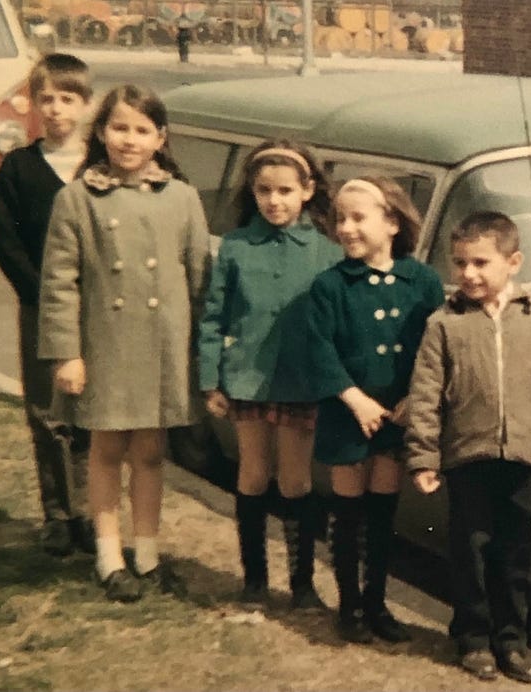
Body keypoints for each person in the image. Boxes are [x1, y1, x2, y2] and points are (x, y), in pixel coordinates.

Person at [404, 211, 531, 684]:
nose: (468, 274)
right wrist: (424, 456)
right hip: (468, 459)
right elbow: (426, 394)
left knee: (517, 553)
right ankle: (473, 639)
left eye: (480, 262)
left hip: (524, 460)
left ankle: (512, 642)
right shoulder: (443, 325)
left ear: (512, 262)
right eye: (459, 263)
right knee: (471, 549)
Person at [37, 84, 211, 602]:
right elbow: (58, 283)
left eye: (141, 130)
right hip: (106, 345)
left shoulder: (181, 197)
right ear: (101, 133)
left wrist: (203, 352)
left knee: (153, 452)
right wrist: (67, 352)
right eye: (118, 128)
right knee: (107, 449)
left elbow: (200, 278)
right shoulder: (76, 198)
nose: (128, 140)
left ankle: (148, 553)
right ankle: (109, 556)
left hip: (162, 345)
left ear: (161, 138)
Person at [198, 139, 342, 610]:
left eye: (284, 190)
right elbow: (214, 317)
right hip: (247, 379)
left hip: (301, 382)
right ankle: (255, 582)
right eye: (264, 190)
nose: (274, 200)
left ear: (307, 191)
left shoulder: (326, 250)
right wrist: (210, 379)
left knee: (296, 481)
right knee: (254, 473)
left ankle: (302, 585)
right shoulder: (237, 246)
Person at [306, 176, 445, 643]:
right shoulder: (330, 286)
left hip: (397, 416)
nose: (346, 228)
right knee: (348, 513)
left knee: (383, 512)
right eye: (339, 219)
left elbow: (434, 346)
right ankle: (349, 606)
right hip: (349, 415)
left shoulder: (421, 281)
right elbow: (320, 350)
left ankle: (376, 602)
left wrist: (416, 397)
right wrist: (354, 397)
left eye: (358, 218)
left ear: (391, 222)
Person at [0, 53, 94, 558]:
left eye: (67, 98)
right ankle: (58, 514)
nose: (55, 109)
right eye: (46, 98)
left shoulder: (99, 169)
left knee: (94, 414)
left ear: (86, 104)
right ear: (33, 105)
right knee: (46, 411)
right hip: (40, 307)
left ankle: (94, 513)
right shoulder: (18, 167)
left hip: (98, 310)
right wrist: (46, 298)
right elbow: (7, 245)